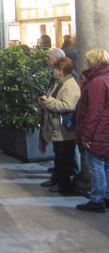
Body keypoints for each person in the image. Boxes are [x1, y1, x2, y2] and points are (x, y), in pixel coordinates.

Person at [37, 57, 80, 194]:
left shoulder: (70, 85)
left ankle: (63, 183)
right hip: (56, 127)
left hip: (65, 129)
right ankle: (56, 178)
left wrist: (47, 101)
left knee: (64, 157)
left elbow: (68, 105)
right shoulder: (58, 82)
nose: (52, 71)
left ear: (61, 71)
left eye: (54, 69)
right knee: (58, 156)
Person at [75, 49, 109, 213]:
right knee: (106, 166)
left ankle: (97, 199)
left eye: (88, 61)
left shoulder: (97, 82)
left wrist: (86, 135)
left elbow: (93, 111)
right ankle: (106, 196)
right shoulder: (106, 78)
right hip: (105, 129)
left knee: (97, 167)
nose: (87, 64)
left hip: (98, 130)